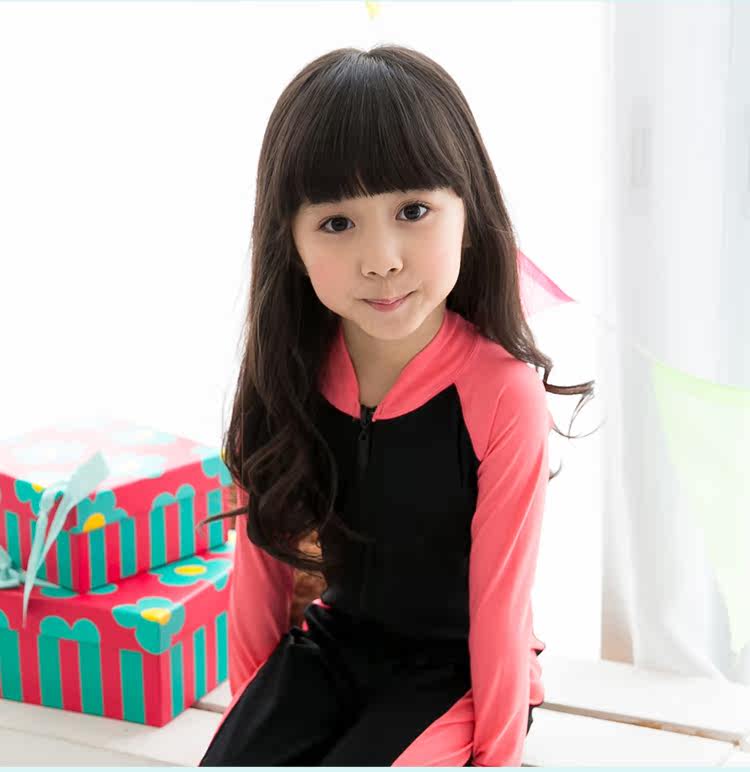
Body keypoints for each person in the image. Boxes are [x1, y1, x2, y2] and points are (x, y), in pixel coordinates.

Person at [198, 44, 594, 767]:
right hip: (336, 646)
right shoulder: (290, 371)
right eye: (337, 223)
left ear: (468, 210)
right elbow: (260, 568)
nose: (381, 257)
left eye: (413, 210)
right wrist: (249, 725)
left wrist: (496, 758)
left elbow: (500, 609)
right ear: (290, 240)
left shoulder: (499, 393)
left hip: (458, 673)